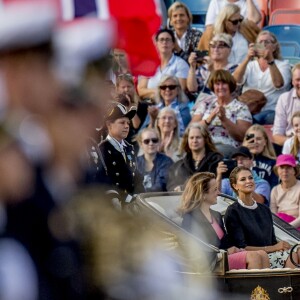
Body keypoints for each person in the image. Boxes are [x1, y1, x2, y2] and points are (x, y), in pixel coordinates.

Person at [179, 172, 269, 270]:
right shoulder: (191, 218)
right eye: (214, 190)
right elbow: (195, 251)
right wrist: (226, 251)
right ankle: (253, 286)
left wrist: (235, 249)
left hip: (223, 258)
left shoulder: (216, 215)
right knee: (253, 257)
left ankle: (265, 286)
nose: (219, 193)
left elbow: (225, 243)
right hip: (209, 264)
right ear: (203, 194)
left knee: (262, 254)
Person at [225, 166, 300, 269]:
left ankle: (290, 285)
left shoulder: (264, 209)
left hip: (271, 253)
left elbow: (272, 240)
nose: (249, 181)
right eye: (243, 179)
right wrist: (273, 248)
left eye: (250, 178)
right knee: (291, 255)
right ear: (235, 186)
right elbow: (241, 247)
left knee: (294, 252)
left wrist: (281, 246)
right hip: (253, 257)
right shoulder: (233, 211)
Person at [233, 30, 292, 125]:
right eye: (260, 42)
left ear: (274, 47)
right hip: (247, 108)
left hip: (271, 110)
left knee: (255, 120)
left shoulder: (283, 65)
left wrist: (270, 61)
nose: (263, 44)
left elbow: (279, 84)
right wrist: (247, 58)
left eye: (267, 42)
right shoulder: (250, 65)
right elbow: (235, 81)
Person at [192, 69, 252, 158]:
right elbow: (192, 130)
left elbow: (242, 136)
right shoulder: (206, 103)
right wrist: (209, 119)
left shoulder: (241, 107)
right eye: (217, 84)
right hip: (204, 145)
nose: (220, 87)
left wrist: (224, 119)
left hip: (227, 147)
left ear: (230, 85)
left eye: (224, 83)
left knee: (214, 153)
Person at [95, 103, 143, 205]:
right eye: (122, 123)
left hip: (133, 201)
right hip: (114, 204)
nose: (126, 126)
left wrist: (140, 196)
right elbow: (103, 181)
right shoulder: (102, 149)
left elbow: (136, 177)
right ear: (109, 125)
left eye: (128, 123)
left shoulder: (130, 148)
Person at [167, 123, 223, 191]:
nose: (194, 141)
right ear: (187, 140)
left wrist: (184, 187)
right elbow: (171, 186)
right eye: (191, 138)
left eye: (198, 137)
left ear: (205, 139)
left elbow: (210, 184)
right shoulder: (181, 165)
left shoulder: (215, 159)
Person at [137, 28, 189, 101]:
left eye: (168, 40)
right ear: (156, 44)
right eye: (161, 40)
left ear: (173, 44)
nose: (164, 42)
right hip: (149, 106)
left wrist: (151, 92)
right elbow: (141, 91)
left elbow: (179, 90)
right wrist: (163, 91)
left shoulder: (181, 64)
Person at [137, 128, 173, 192]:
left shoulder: (167, 161)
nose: (151, 143)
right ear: (141, 144)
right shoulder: (134, 162)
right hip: (137, 200)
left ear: (159, 142)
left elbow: (160, 186)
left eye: (154, 140)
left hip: (158, 199)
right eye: (146, 141)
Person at [243, 124, 278, 188]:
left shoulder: (274, 163)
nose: (255, 142)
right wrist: (244, 150)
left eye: (258, 139)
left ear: (265, 142)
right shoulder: (239, 161)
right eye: (251, 139)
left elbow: (274, 187)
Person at [273, 64, 300, 147]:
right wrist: (295, 143)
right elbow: (277, 136)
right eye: (298, 80)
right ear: (292, 81)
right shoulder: (284, 99)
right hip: (290, 145)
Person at [270, 154, 300, 230]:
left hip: (295, 228)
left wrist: (287, 229)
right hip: (280, 227)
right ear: (277, 170)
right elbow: (273, 215)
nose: (285, 171)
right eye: (281, 167)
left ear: (294, 170)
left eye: (288, 167)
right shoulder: (275, 190)